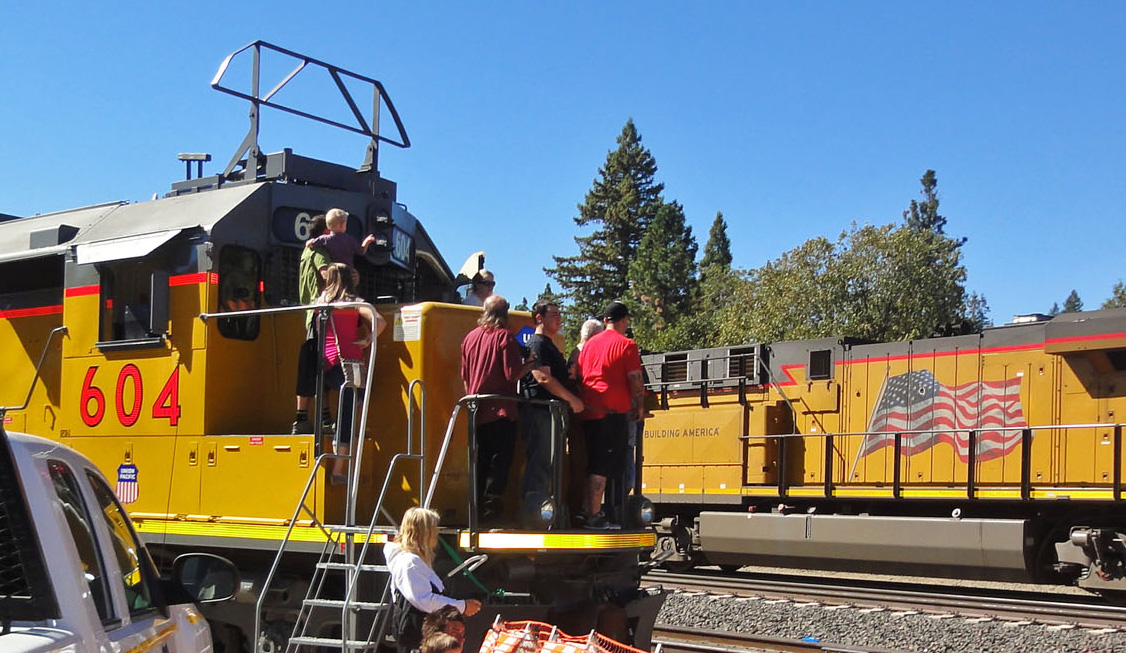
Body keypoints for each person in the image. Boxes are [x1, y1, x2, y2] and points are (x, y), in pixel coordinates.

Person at [460, 295, 539, 524]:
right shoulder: (505, 338)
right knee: (499, 462)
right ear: (505, 313)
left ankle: (474, 511)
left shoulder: (469, 338)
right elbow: (511, 374)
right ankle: (491, 512)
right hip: (501, 410)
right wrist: (530, 363)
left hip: (477, 408)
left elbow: (465, 376)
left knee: (480, 460)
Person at [576, 301, 644, 530]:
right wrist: (639, 406)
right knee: (604, 467)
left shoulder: (588, 345)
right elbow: (635, 378)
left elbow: (581, 373)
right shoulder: (627, 345)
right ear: (623, 320)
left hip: (589, 410)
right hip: (611, 412)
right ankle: (596, 516)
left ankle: (586, 511)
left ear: (605, 320)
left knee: (593, 463)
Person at [317, 263, 386, 484]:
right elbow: (381, 321)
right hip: (350, 359)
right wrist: (367, 340)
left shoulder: (322, 302)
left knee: (344, 403)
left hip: (326, 359)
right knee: (351, 409)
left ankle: (330, 428)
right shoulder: (354, 303)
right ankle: (338, 469)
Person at [518, 300, 584, 526]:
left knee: (549, 460)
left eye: (559, 313)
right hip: (540, 410)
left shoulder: (549, 344)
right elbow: (542, 377)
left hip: (550, 411)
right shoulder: (538, 343)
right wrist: (572, 398)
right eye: (554, 314)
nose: (559, 318)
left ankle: (543, 512)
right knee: (541, 459)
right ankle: (535, 514)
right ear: (539, 318)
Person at [385, 507, 481, 653]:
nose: (437, 533)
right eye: (433, 528)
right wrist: (462, 606)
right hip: (417, 638)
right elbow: (424, 600)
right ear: (423, 533)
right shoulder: (409, 563)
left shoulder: (414, 560)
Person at [292, 214, 333, 435]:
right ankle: (323, 419)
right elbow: (326, 275)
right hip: (321, 317)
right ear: (326, 232)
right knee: (321, 366)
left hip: (310, 315)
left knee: (313, 366)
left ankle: (304, 418)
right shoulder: (320, 253)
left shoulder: (306, 251)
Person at [565, 318, 604, 522]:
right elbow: (574, 383)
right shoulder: (580, 354)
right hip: (581, 418)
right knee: (582, 465)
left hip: (579, 417)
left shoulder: (575, 352)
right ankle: (579, 511)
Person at [305, 207, 378, 268]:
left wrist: (310, 242)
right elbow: (361, 251)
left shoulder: (324, 239)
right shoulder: (350, 240)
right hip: (346, 271)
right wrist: (367, 241)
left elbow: (310, 244)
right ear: (342, 225)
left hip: (333, 272)